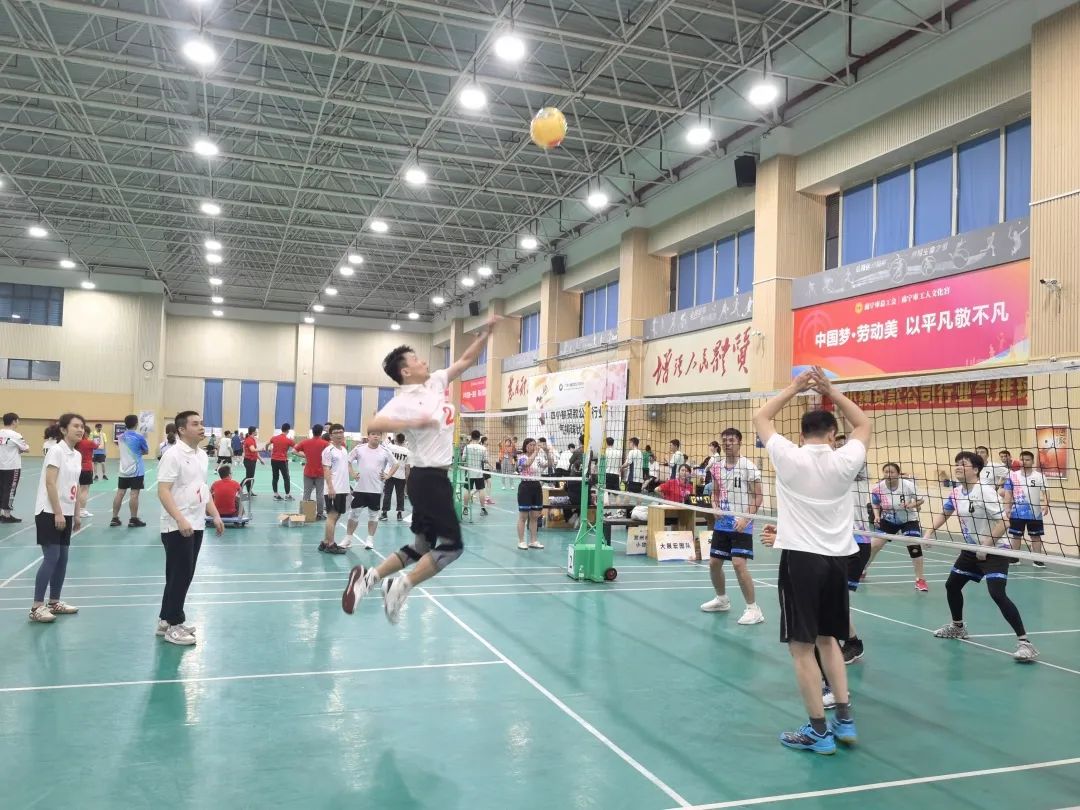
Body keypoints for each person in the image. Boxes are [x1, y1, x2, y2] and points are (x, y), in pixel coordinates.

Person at [341, 320, 493, 624]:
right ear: (406, 371)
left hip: (428, 481)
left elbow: (465, 360)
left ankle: (368, 579)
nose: (424, 361)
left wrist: (485, 334)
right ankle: (400, 585)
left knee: (421, 546)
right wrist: (414, 422)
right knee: (452, 548)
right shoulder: (404, 401)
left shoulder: (435, 381)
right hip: (429, 480)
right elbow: (374, 425)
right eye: (416, 359)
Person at [753, 367, 870, 755]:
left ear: (802, 435)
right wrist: (830, 390)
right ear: (834, 435)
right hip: (837, 561)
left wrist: (796, 386)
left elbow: (761, 417)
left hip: (801, 561)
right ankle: (845, 720)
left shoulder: (789, 456)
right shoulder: (846, 459)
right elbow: (863, 424)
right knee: (829, 639)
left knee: (801, 648)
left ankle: (819, 731)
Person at [925, 451, 1038, 661]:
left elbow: (1004, 521)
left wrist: (986, 546)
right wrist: (929, 532)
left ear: (976, 469)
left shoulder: (985, 491)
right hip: (971, 549)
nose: (958, 467)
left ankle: (1025, 643)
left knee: (997, 594)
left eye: (963, 464)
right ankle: (958, 627)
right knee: (952, 585)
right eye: (956, 464)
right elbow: (945, 512)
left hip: (995, 549)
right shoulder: (956, 492)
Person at [156, 410, 224, 646]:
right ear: (182, 430)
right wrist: (179, 519)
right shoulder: (172, 455)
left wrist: (215, 514)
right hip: (177, 526)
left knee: (180, 575)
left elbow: (203, 489)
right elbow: (163, 491)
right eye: (195, 424)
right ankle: (174, 626)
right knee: (180, 576)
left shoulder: (202, 456)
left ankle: (165, 620)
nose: (201, 427)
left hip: (197, 523)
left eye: (201, 423)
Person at [700, 427, 764, 625]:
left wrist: (745, 519)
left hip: (741, 522)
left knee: (738, 563)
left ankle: (753, 609)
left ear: (739, 442)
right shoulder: (716, 467)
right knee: (714, 563)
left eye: (731, 440)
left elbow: (758, 497)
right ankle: (722, 600)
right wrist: (714, 506)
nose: (727, 443)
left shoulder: (748, 467)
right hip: (723, 523)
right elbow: (715, 493)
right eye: (725, 440)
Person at [28, 413, 85, 623]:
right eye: (76, 426)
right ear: (63, 429)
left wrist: (76, 513)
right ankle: (36, 607)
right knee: (52, 557)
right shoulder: (56, 451)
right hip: (49, 511)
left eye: (82, 426)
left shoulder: (76, 455)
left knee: (63, 558)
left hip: (66, 512)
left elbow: (74, 486)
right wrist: (58, 512)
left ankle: (54, 602)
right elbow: (50, 482)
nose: (80, 429)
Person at [868, 463, 928, 591]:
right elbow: (875, 503)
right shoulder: (878, 488)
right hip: (888, 520)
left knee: (914, 547)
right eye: (886, 472)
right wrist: (877, 516)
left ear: (898, 474)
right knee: (873, 546)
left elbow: (921, 500)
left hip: (908, 520)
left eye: (892, 472)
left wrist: (911, 505)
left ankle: (920, 579)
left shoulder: (908, 485)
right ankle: (862, 570)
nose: (888, 475)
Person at [342, 430, 397, 550]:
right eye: (373, 434)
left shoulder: (385, 451)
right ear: (368, 436)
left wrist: (388, 475)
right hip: (360, 488)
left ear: (381, 437)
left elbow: (395, 464)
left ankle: (370, 540)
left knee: (373, 515)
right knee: (353, 514)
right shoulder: (359, 449)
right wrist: (352, 474)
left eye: (378, 434)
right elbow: (347, 461)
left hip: (376, 489)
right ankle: (348, 539)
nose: (376, 436)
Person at [1005, 450, 1049, 567]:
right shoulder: (1012, 475)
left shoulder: (1040, 476)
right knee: (1016, 535)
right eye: (1022, 459)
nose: (1024, 461)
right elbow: (1008, 492)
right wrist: (1007, 508)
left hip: (1035, 513)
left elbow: (1045, 492)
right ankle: (1014, 559)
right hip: (1016, 512)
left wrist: (1046, 504)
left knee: (1036, 536)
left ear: (1032, 461)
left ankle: (1037, 560)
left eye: (1027, 459)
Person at [110, 414, 148, 528]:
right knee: (134, 494)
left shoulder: (120, 437)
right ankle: (133, 519)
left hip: (123, 470)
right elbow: (146, 451)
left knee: (120, 493)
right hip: (137, 470)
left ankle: (114, 518)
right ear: (136, 423)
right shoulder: (139, 437)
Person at [318, 424, 351, 554]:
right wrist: (330, 487)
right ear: (331, 435)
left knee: (337, 515)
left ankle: (326, 542)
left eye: (341, 432)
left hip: (343, 488)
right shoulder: (328, 450)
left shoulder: (343, 450)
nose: (339, 434)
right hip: (334, 488)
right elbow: (326, 469)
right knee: (332, 516)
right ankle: (331, 545)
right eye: (336, 432)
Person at [294, 424, 329, 520]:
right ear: (321, 432)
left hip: (308, 472)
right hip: (320, 472)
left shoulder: (305, 442)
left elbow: (293, 451)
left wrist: (305, 456)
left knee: (306, 493)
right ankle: (320, 514)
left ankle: (304, 513)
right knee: (320, 494)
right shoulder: (326, 444)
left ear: (312, 432)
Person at [0, 412, 30, 523]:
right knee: (10, 490)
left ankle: (1, 514)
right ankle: (7, 516)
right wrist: (18, 448)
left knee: (1, 489)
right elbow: (26, 448)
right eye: (17, 420)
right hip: (12, 467)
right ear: (14, 421)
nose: (18, 422)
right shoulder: (16, 435)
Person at [516, 438, 545, 550]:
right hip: (525, 487)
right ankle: (521, 541)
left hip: (536, 486)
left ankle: (533, 541)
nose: (533, 447)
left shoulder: (538, 458)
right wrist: (536, 453)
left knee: (535, 516)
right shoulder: (521, 457)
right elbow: (527, 464)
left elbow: (550, 464)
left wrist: (547, 452)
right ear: (526, 446)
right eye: (531, 445)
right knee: (523, 516)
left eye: (534, 445)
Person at [380, 433, 409, 522]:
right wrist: (407, 479)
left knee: (387, 494)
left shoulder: (390, 447)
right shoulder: (407, 452)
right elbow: (407, 467)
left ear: (395, 440)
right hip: (401, 476)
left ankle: (384, 513)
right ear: (404, 441)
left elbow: (383, 444)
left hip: (389, 474)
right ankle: (399, 514)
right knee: (400, 495)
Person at [461, 430, 489, 517]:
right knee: (481, 490)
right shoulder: (483, 448)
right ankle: (483, 509)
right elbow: (485, 460)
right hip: (479, 473)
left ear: (471, 437)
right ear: (479, 438)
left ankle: (465, 509)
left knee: (467, 489)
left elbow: (463, 459)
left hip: (469, 472)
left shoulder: (467, 447)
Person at [266, 423, 295, 501]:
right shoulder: (289, 440)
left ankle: (275, 495)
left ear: (281, 429)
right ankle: (287, 495)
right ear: (288, 430)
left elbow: (267, 444)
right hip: (282, 461)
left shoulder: (274, 438)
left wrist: (267, 450)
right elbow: (297, 448)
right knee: (286, 478)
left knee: (275, 477)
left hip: (273, 460)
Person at [74, 429, 96, 519]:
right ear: (86, 433)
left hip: (77, 468)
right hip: (86, 468)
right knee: (84, 490)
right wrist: (101, 438)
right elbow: (100, 446)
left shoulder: (76, 442)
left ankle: (77, 510)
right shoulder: (89, 442)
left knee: (78, 489)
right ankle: (81, 511)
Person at [242, 426, 263, 495]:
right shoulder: (249, 440)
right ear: (253, 432)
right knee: (248, 477)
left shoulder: (252, 439)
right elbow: (253, 450)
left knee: (250, 477)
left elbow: (255, 452)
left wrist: (260, 459)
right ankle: (238, 488)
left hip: (252, 461)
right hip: (249, 461)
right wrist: (261, 449)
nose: (257, 432)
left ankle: (249, 491)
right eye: (256, 431)